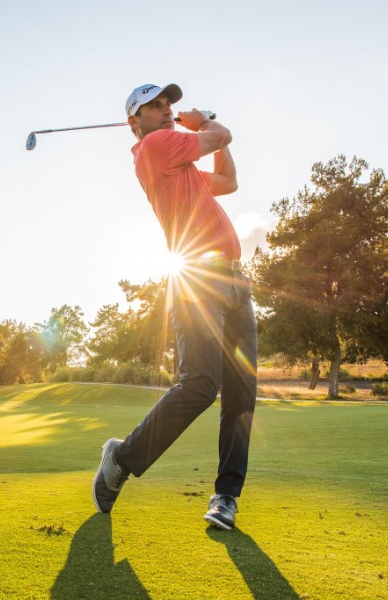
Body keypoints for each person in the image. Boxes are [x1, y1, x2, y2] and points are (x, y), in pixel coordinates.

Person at [92, 83, 257, 530]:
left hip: (234, 282)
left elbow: (228, 181)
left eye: (170, 103)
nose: (168, 110)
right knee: (201, 385)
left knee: (241, 396)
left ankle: (226, 496)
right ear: (135, 121)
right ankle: (122, 456)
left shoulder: (178, 163)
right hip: (199, 281)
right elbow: (219, 136)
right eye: (156, 105)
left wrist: (205, 131)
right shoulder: (156, 146)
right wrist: (200, 121)